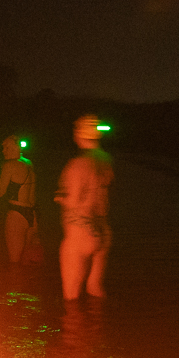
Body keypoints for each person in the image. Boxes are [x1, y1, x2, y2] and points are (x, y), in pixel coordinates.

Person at [56, 114, 114, 301]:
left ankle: (73, 329)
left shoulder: (77, 165)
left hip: (79, 232)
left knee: (71, 298)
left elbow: (72, 202)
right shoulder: (105, 160)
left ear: (79, 134)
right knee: (95, 291)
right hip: (102, 232)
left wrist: (60, 197)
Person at [0, 134, 41, 264]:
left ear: (16, 147)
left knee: (14, 262)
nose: (3, 151)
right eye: (3, 148)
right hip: (33, 215)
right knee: (27, 261)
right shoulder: (28, 163)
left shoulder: (9, 165)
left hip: (17, 215)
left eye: (7, 147)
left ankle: (14, 283)